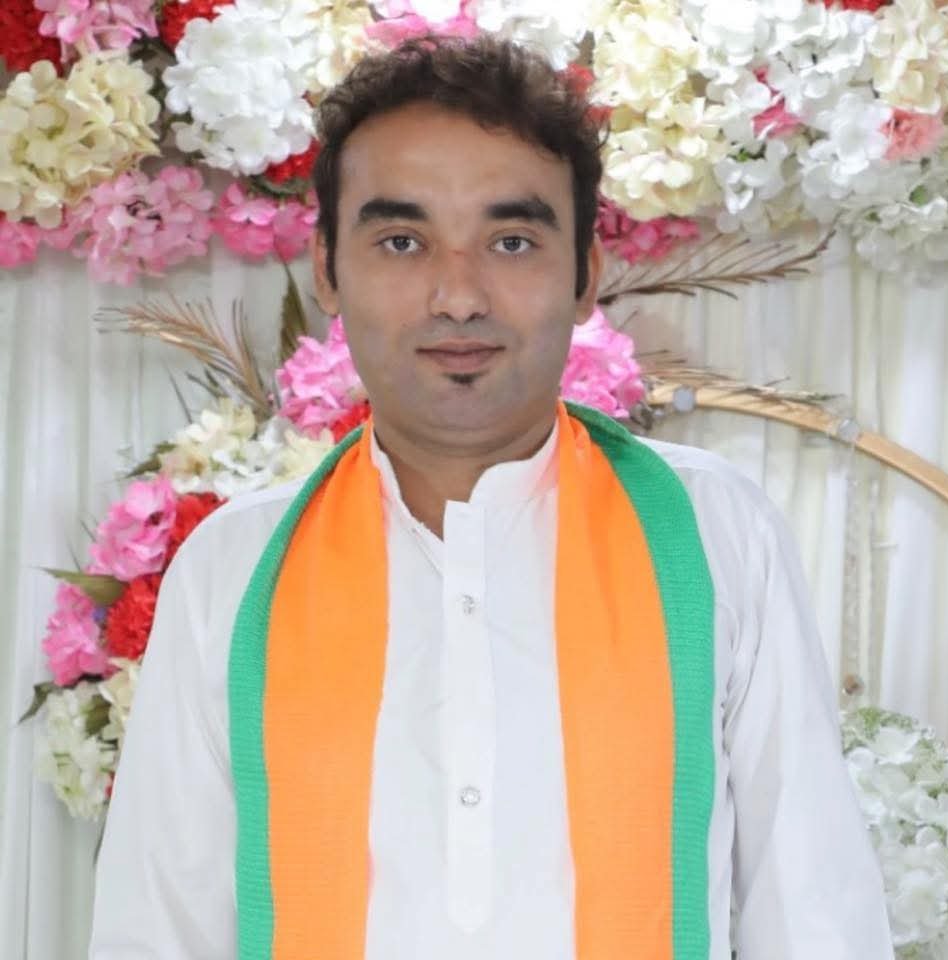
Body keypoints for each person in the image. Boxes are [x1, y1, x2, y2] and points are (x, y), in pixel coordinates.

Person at [89, 35, 894, 960]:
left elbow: (816, 914)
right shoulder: (233, 571)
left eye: (512, 242)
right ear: (328, 270)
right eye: (402, 241)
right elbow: (155, 928)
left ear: (586, 274)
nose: (459, 295)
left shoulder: (715, 534)